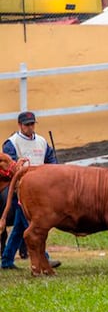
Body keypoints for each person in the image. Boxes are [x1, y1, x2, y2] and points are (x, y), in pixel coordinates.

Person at [1, 111, 60, 270]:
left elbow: (51, 160)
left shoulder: (41, 141)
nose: (30, 127)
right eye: (27, 124)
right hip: (21, 190)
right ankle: (44, 258)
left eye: (32, 124)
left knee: (22, 226)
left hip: (40, 191)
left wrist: (56, 172)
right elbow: (11, 165)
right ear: (20, 125)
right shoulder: (11, 143)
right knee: (35, 224)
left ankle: (6, 260)